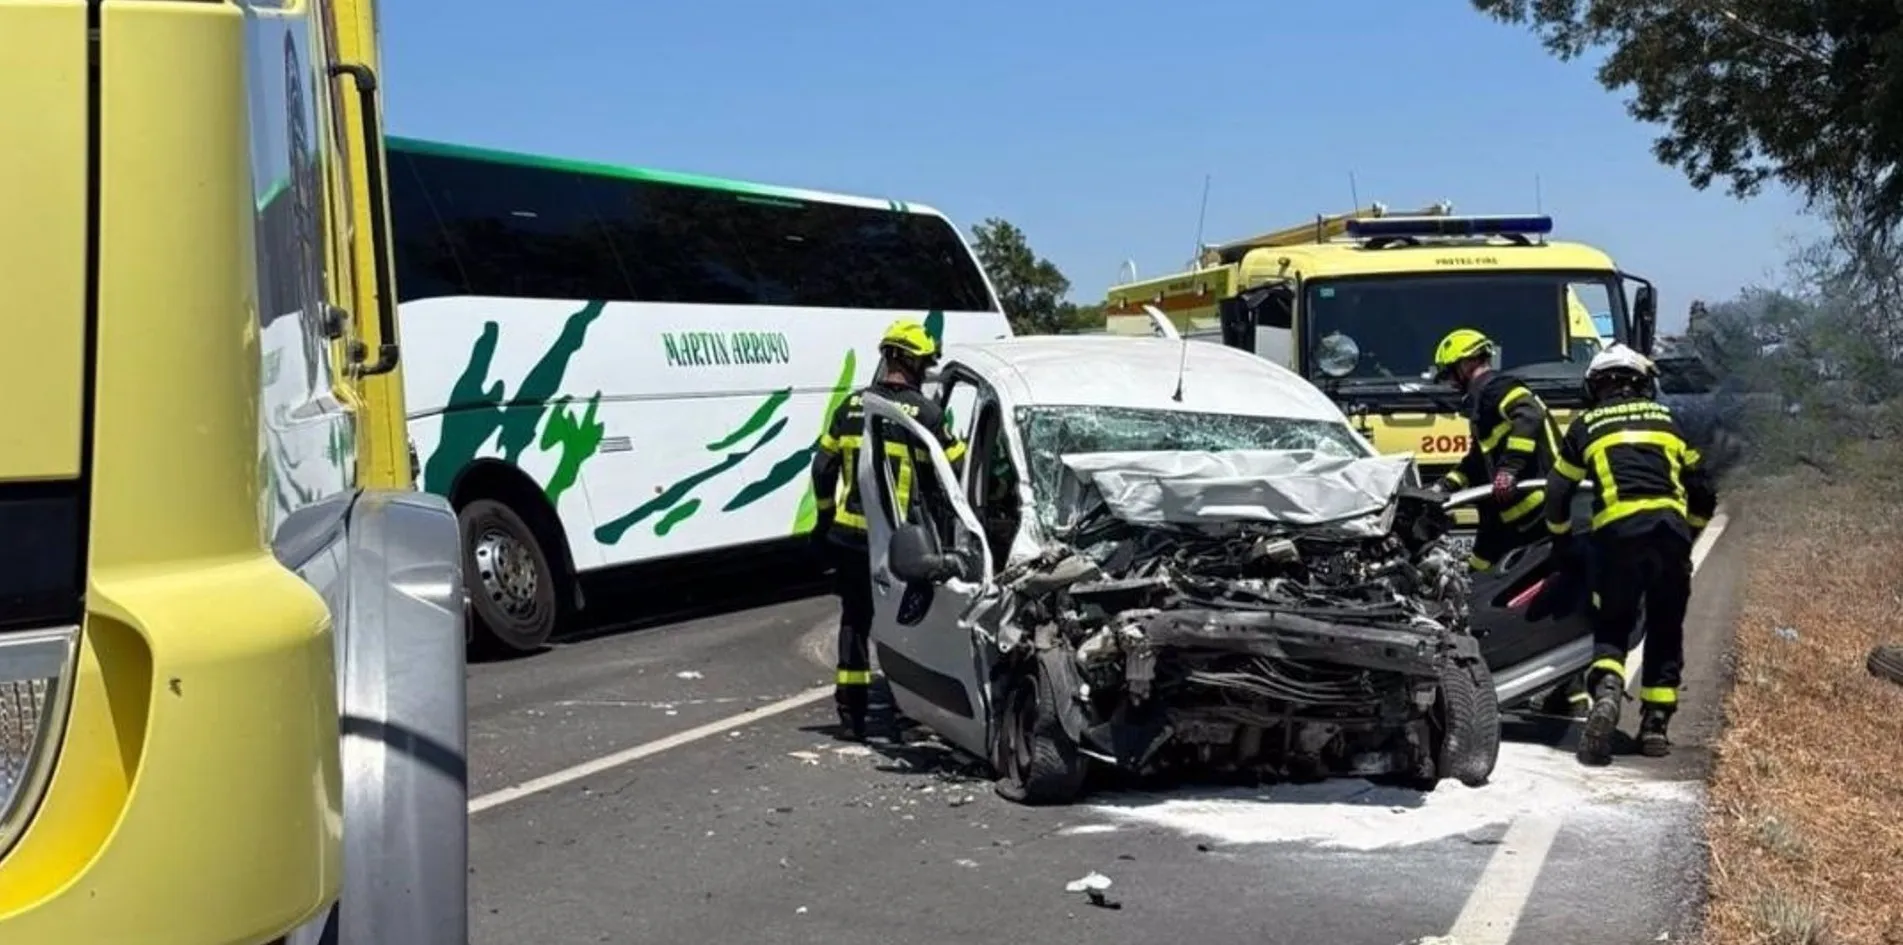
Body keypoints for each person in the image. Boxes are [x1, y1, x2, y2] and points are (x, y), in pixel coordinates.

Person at [1542, 343, 1717, 765]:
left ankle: (1605, 693)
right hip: (1670, 537)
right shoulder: (1671, 421)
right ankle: (1655, 726)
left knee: (1613, 621)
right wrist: (1687, 535)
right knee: (1665, 627)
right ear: (1643, 383)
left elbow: (1557, 492)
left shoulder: (1586, 425)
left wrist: (1562, 540)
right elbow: (1705, 493)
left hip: (1617, 539)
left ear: (1596, 386)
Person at [807, 318, 968, 740]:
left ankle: (852, 713)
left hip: (848, 536)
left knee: (855, 621)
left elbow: (822, 468)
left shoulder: (850, 407)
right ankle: (912, 705)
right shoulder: (928, 415)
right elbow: (957, 471)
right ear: (914, 362)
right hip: (901, 542)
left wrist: (825, 518)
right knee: (915, 621)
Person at [1428, 328, 1589, 718]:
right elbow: (1474, 463)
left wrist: (1510, 469)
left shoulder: (1498, 389)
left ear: (1467, 364)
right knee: (1473, 585)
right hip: (1502, 522)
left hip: (1533, 516)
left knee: (1534, 595)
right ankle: (1486, 672)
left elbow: (1528, 416)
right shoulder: (1481, 405)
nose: (1450, 383)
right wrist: (1441, 489)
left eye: (1451, 373)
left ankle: (1567, 687)